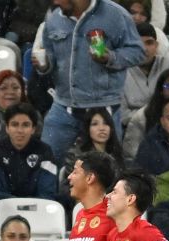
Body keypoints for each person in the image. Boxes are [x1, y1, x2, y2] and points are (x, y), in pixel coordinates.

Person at [33, 0, 144, 164]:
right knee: (45, 162)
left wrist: (110, 57)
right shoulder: (53, 17)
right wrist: (44, 65)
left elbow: (138, 52)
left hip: (105, 108)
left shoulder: (115, 15)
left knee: (109, 167)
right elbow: (50, 55)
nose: (55, 2)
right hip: (63, 107)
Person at [0, 102, 58, 201]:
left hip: (36, 208)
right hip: (3, 207)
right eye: (14, 125)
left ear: (33, 129)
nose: (20, 130)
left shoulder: (44, 151)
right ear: (7, 128)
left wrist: (24, 205)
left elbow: (47, 194)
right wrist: (17, 204)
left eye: (25, 125)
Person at [122, 23, 169, 127]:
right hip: (134, 128)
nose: (144, 49)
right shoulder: (121, 71)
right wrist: (158, 116)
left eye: (149, 43)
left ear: (156, 46)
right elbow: (123, 116)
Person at [61, 108, 124, 182]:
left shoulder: (117, 153)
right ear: (87, 128)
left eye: (106, 123)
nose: (102, 128)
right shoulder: (75, 155)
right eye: (95, 124)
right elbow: (71, 185)